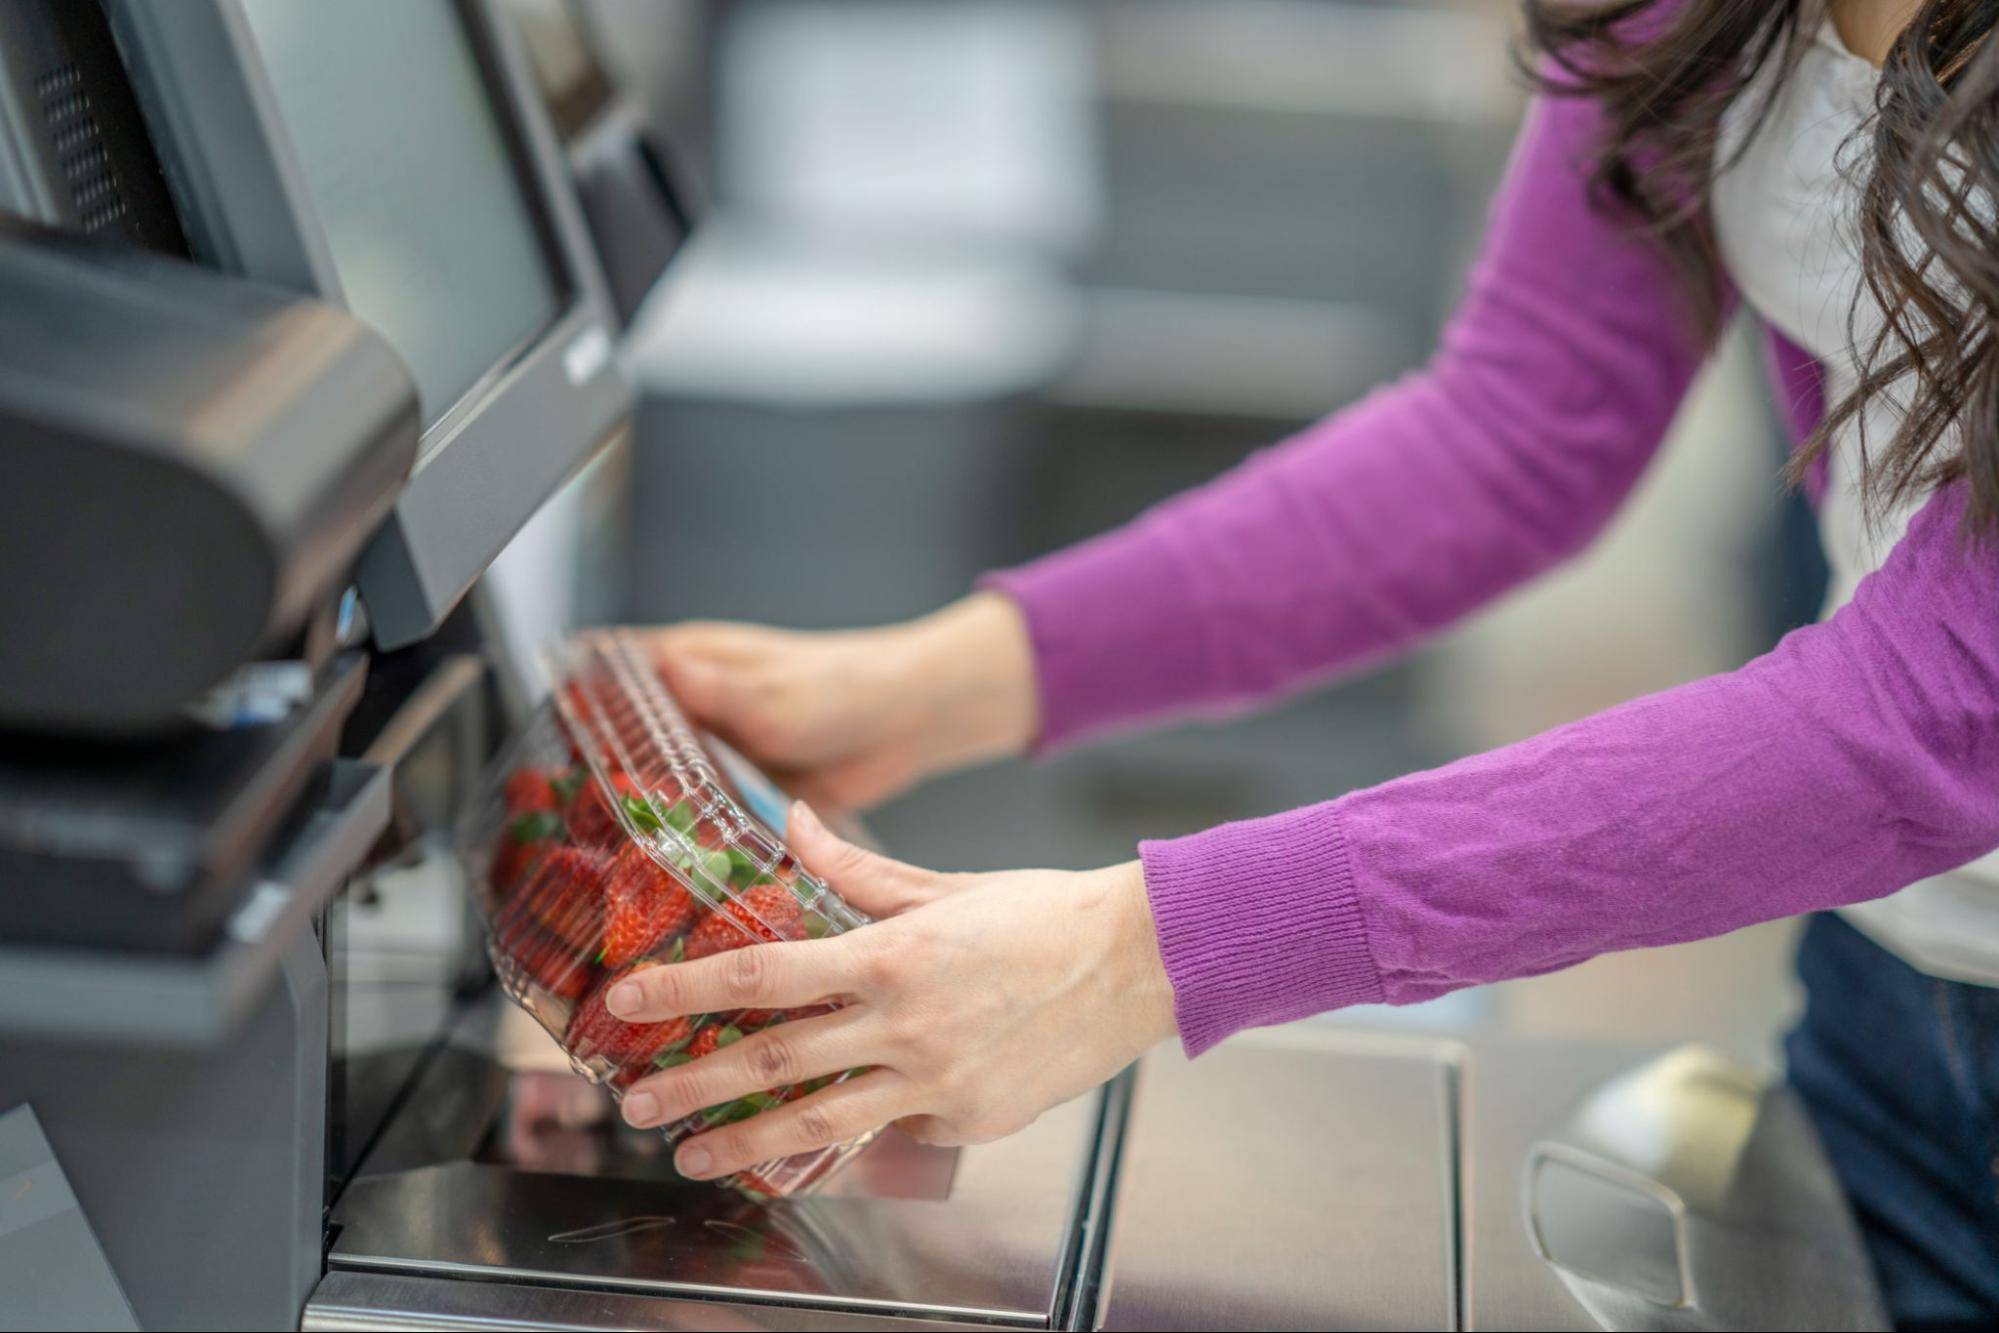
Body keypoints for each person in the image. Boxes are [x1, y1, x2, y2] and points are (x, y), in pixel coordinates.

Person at [602, 3, 1999, 1323]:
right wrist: (933, 681)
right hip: (1900, 989)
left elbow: (1940, 706)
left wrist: (1140, 953)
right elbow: (1516, 428)